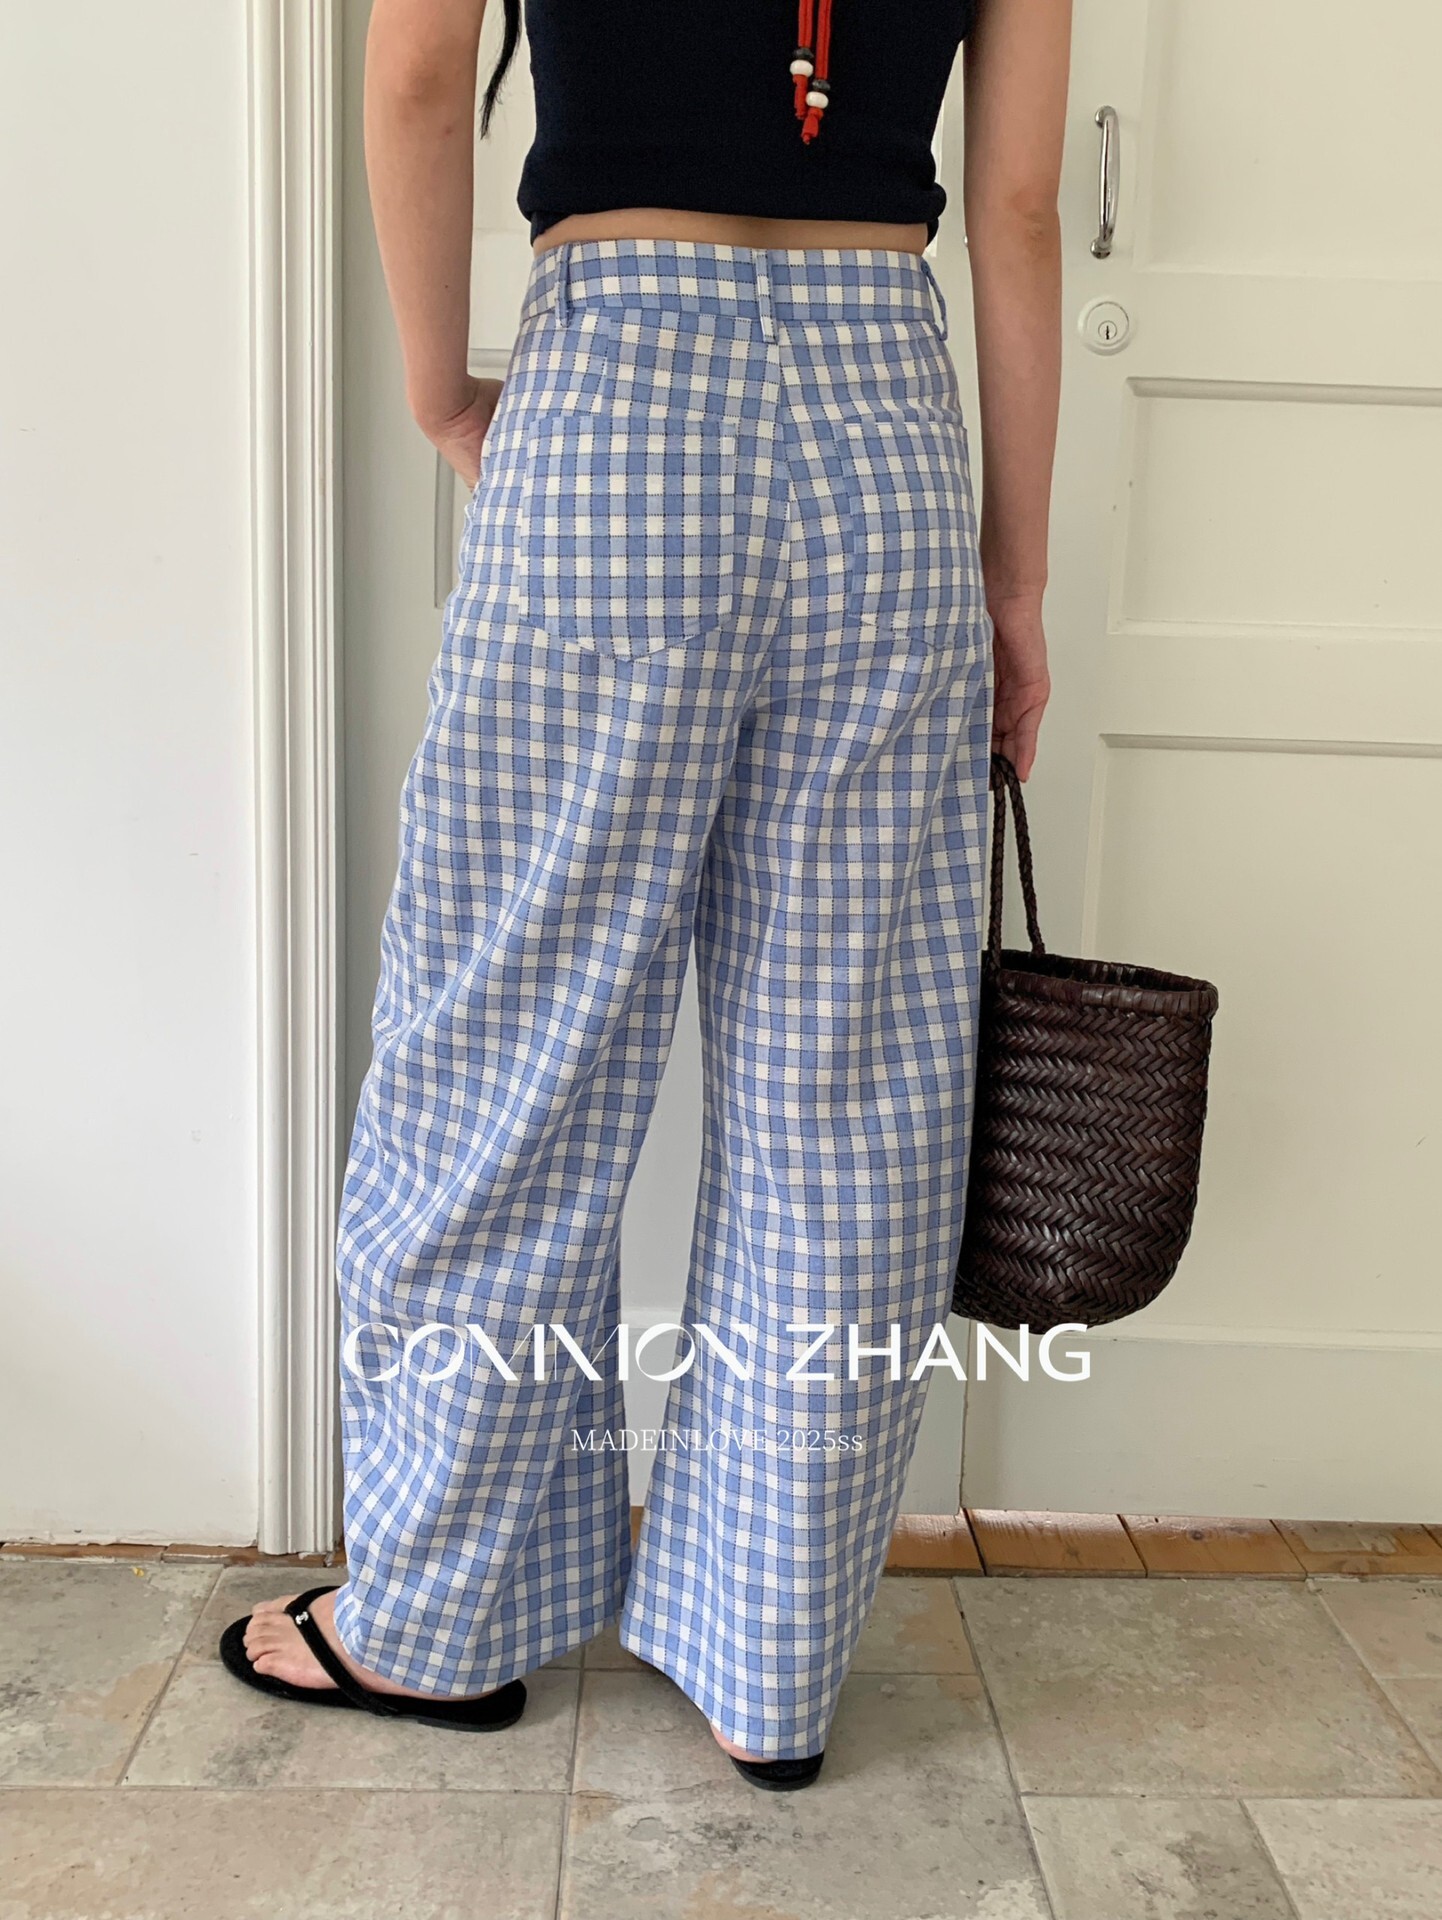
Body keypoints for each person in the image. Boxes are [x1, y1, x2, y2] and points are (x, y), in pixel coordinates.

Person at [222, 0, 1068, 1790]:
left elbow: (416, 76)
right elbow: (1010, 204)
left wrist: (437, 389)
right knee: (847, 1087)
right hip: (885, 438)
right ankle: (770, 1665)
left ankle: (434, 1623)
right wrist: (1012, 584)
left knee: (507, 1058)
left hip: (614, 404)